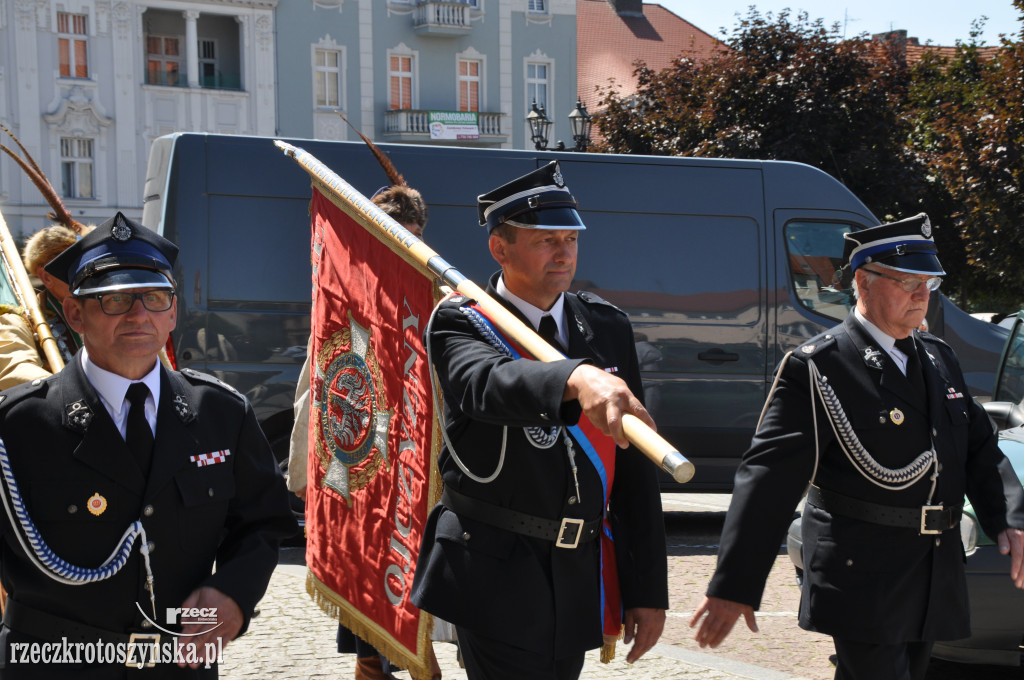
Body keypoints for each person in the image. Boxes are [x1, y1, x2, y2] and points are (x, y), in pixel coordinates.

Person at [690, 214, 1024, 680]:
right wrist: (735, 582)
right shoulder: (821, 365)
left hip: (933, 569)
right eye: (908, 281)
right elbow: (768, 480)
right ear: (863, 284)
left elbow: (978, 449)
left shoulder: (937, 356)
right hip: (864, 572)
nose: (922, 294)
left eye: (929, 281)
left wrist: (1008, 520)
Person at [0, 211, 297, 678]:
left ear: (173, 312)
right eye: (115, 300)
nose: (139, 315)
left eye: (155, 298)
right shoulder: (18, 425)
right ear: (75, 312)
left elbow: (263, 524)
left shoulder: (221, 414)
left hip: (177, 665)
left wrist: (234, 595)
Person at [410, 161, 668, 680]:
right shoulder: (462, 319)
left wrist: (647, 593)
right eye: (545, 240)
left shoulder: (603, 325)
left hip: (575, 569)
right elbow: (485, 384)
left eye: (569, 238)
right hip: (494, 567)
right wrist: (577, 379)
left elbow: (634, 471)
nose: (563, 252)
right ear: (499, 249)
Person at [286, 182, 439, 680]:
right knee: (368, 631)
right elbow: (320, 385)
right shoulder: (347, 299)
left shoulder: (437, 295)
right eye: (396, 236)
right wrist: (308, 476)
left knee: (413, 622)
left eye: (414, 237)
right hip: (360, 477)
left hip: (416, 477)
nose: (406, 247)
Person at [22, 224, 87, 362]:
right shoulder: (29, 322)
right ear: (46, 277)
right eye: (72, 267)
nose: (83, 273)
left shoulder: (101, 304)